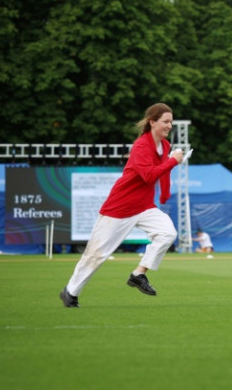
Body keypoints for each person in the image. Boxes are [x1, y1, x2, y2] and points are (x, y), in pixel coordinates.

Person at [59, 103, 184, 307]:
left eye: (171, 121)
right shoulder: (141, 146)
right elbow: (148, 175)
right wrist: (173, 162)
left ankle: (138, 274)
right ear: (152, 122)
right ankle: (70, 293)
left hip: (144, 206)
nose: (170, 125)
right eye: (166, 121)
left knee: (168, 233)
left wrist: (165, 194)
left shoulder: (166, 146)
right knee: (96, 254)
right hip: (120, 206)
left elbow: (163, 171)